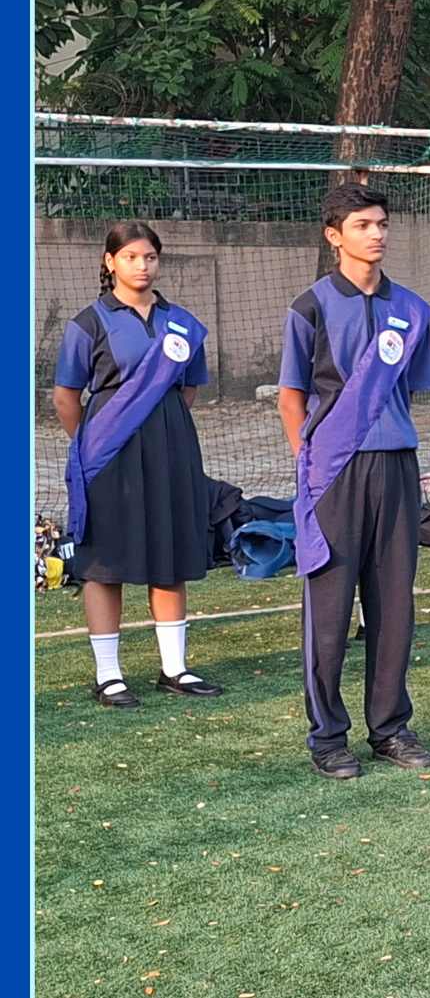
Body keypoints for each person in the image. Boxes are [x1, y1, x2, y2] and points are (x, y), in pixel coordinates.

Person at [278, 183, 430, 780]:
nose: (377, 234)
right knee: (329, 609)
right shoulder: (310, 306)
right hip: (334, 473)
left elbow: (408, 389)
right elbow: (291, 397)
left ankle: (390, 728)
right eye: (364, 225)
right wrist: (309, 462)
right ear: (334, 236)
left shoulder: (413, 310)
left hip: (395, 467)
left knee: (394, 604)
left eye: (382, 224)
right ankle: (327, 738)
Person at [52, 220, 224, 709]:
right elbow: (66, 397)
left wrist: (159, 428)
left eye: (149, 256)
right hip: (108, 453)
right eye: (130, 257)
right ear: (110, 262)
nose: (141, 266)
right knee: (105, 561)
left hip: (172, 450)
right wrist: (96, 444)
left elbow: (188, 389)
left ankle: (175, 668)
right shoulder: (89, 323)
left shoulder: (181, 322)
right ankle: (109, 675)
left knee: (168, 553)